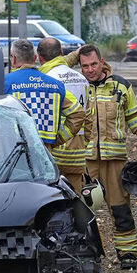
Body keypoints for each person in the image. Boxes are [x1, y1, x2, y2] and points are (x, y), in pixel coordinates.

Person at [65, 44, 137, 269]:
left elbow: (134, 116)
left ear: (102, 61)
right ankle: (84, 253)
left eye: (94, 64)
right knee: (81, 208)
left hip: (114, 159)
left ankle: (128, 254)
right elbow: (55, 68)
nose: (90, 70)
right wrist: (74, 56)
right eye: (84, 66)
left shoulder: (121, 86)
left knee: (120, 207)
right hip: (85, 160)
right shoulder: (76, 86)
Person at [3, 39, 84, 158]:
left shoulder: (5, 83)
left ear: (13, 58)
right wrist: (57, 138)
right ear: (35, 58)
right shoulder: (55, 85)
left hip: (14, 154)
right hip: (44, 155)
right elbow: (78, 113)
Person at [37, 37, 89, 180]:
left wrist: (57, 141)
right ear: (60, 52)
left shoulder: (45, 80)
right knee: (77, 198)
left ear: (39, 58)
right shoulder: (82, 79)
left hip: (54, 153)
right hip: (78, 153)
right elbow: (89, 116)